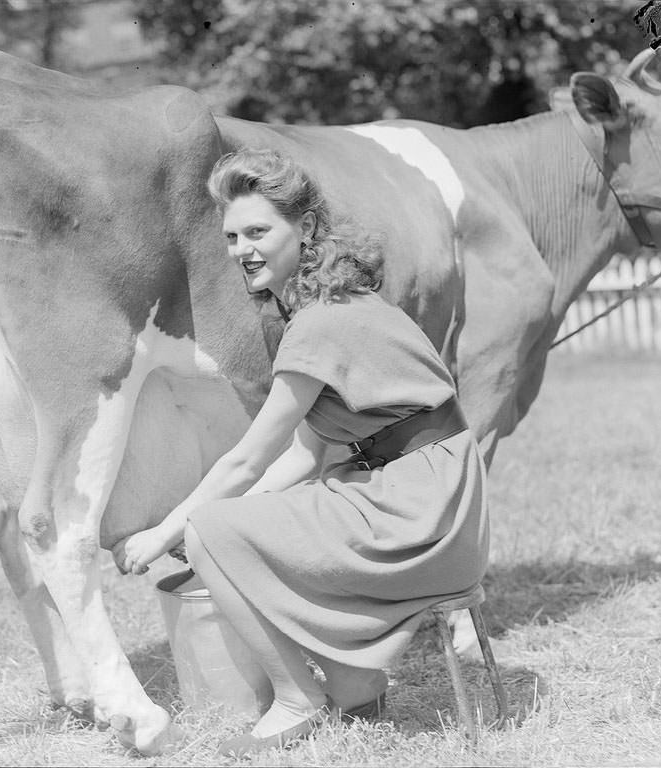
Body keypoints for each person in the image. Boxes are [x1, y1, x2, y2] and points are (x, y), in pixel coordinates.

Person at [115, 148, 489, 758]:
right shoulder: (326, 307)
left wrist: (166, 532)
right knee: (221, 530)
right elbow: (304, 455)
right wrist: (234, 525)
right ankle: (356, 683)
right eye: (233, 236)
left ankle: (298, 698)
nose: (242, 249)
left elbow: (248, 460)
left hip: (425, 510)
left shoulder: (319, 323)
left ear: (307, 230)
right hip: (426, 491)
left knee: (213, 529)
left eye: (259, 231)